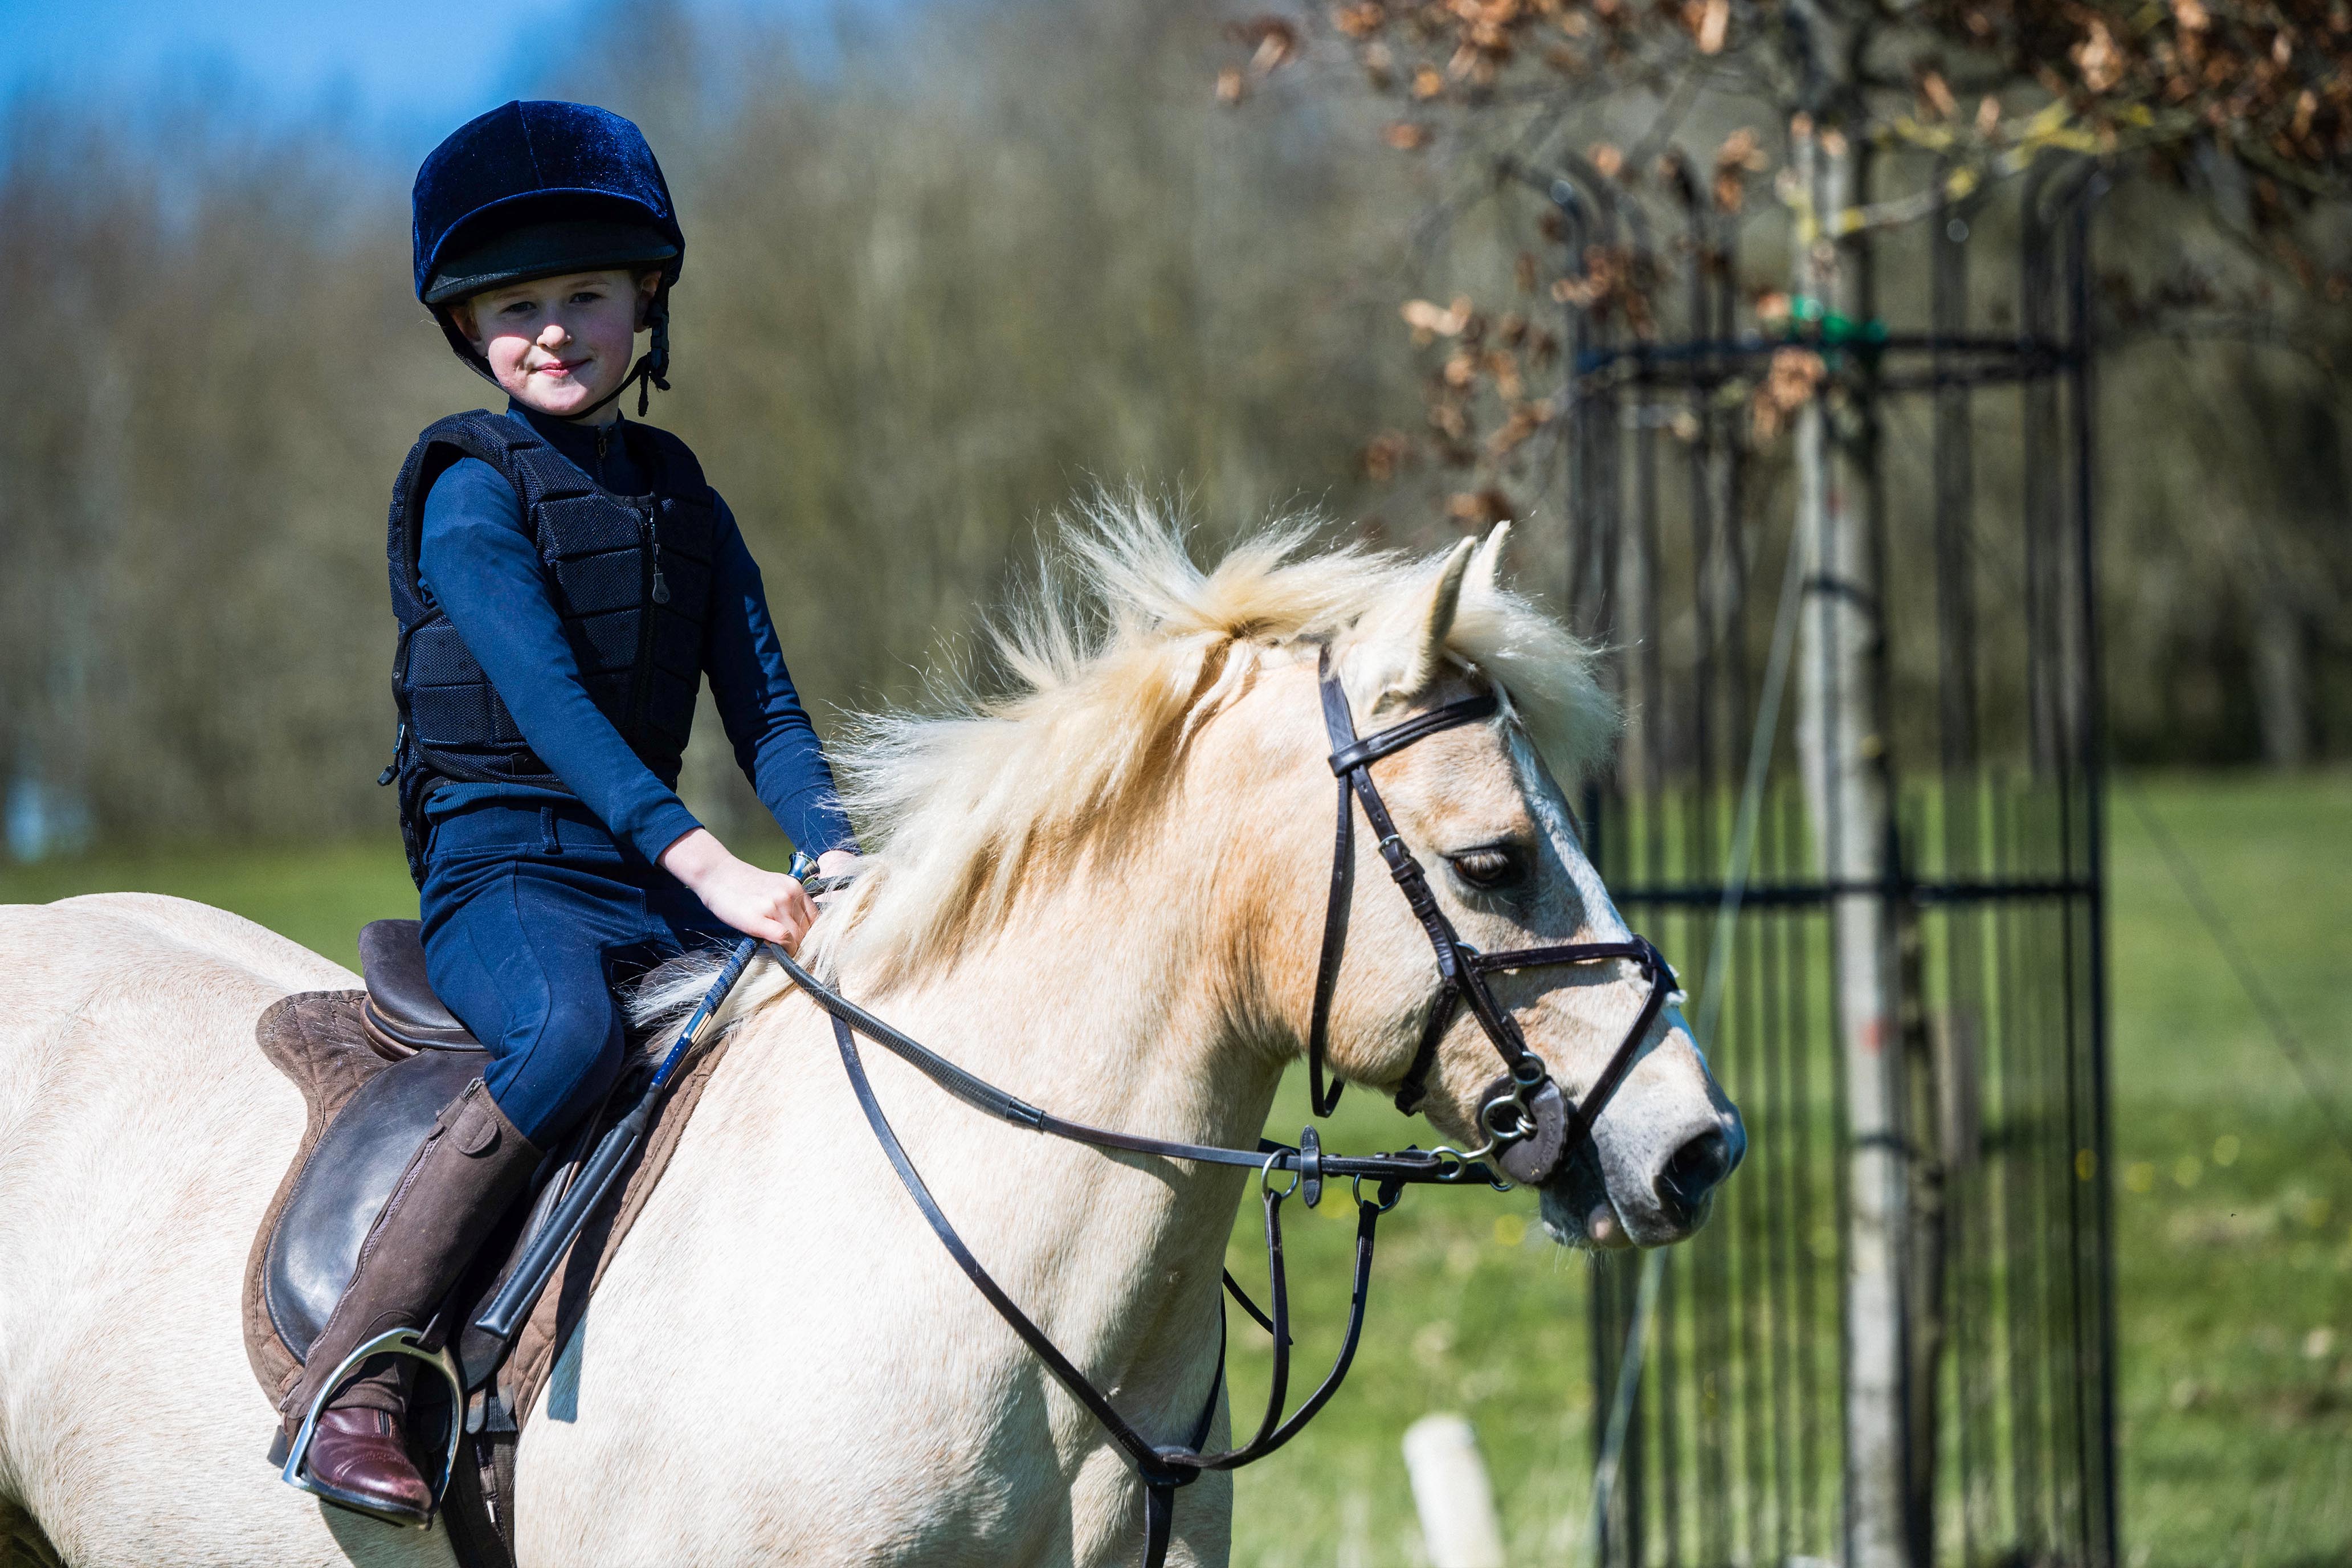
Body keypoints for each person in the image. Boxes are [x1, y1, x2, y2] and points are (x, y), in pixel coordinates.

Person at [280, 99, 859, 1522]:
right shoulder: (468, 491)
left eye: (584, 296)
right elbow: (551, 703)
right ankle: (358, 1373)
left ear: (645, 302)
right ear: (469, 325)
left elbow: (769, 712)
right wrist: (706, 857)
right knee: (573, 1033)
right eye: (516, 304)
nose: (552, 328)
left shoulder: (688, 502)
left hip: (649, 872)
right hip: (507, 875)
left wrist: (837, 844)